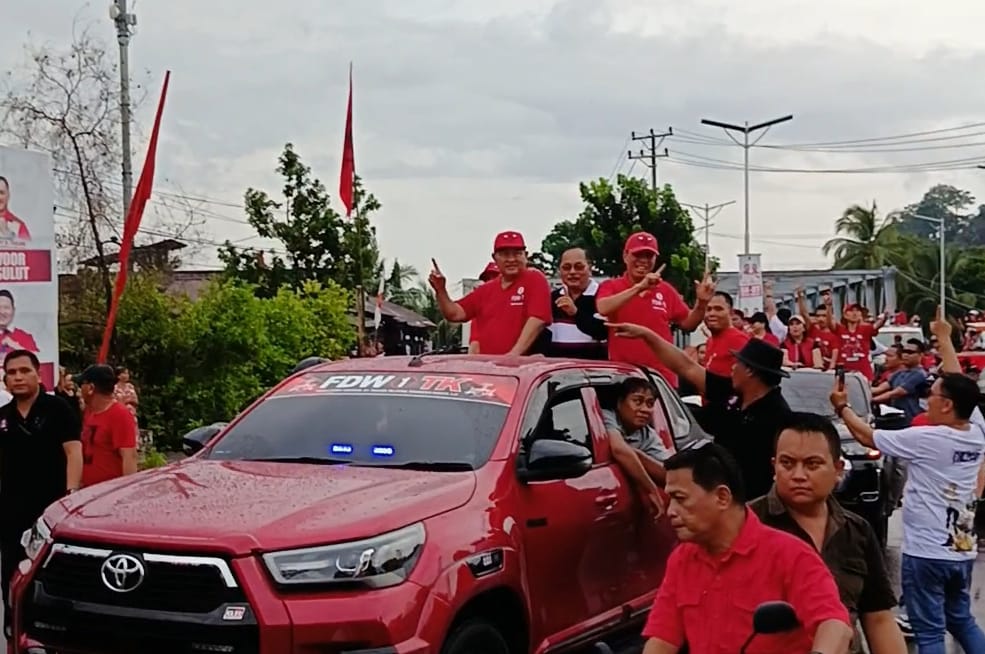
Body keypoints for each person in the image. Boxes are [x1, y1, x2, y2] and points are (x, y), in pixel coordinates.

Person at [832, 307, 985, 653]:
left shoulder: (929, 440)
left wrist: (843, 408)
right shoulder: (976, 430)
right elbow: (959, 381)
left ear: (946, 405)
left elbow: (868, 437)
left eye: (933, 394)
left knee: (928, 632)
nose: (927, 399)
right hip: (960, 551)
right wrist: (944, 339)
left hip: (926, 554)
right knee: (961, 620)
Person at [641, 442, 853, 654]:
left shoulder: (791, 555)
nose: (671, 511)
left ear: (722, 497)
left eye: (680, 499)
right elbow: (662, 639)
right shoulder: (682, 559)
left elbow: (835, 626)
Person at [749, 412, 906, 653]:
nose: (799, 475)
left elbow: (878, 618)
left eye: (812, 464)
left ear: (838, 469)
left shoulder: (857, 531)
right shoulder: (747, 526)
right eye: (787, 463)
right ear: (774, 466)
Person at [606, 322, 791, 500]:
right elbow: (685, 367)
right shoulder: (732, 393)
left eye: (738, 363)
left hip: (750, 504)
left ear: (750, 371)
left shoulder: (778, 417)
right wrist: (648, 336)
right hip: (717, 496)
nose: (733, 368)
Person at [0, 349, 81, 633]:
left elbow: (73, 452)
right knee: (11, 568)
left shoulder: (58, 409)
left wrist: (71, 494)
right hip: (10, 507)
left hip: (51, 505)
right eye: (12, 373)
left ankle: (56, 630)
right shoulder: (4, 417)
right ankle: (14, 624)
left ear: (38, 374)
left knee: (50, 570)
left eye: (24, 371)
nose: (18, 377)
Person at [596, 232, 715, 387]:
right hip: (624, 376)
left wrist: (702, 303)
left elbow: (688, 324)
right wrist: (639, 287)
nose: (643, 261)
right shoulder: (611, 286)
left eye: (649, 256)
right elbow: (603, 308)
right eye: (638, 255)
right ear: (625, 256)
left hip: (661, 377)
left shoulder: (665, 290)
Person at [430, 231, 552, 355]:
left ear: (525, 255)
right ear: (495, 258)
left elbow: (538, 319)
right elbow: (455, 314)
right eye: (505, 254)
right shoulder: (486, 290)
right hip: (492, 367)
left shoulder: (535, 279)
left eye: (517, 254)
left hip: (522, 368)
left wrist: (514, 355)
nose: (511, 259)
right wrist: (441, 290)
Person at [601, 377, 672, 514]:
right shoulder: (606, 416)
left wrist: (637, 455)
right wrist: (650, 489)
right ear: (620, 403)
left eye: (650, 404)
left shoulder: (647, 434)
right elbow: (619, 450)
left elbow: (669, 475)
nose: (645, 409)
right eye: (637, 401)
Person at [78, 364, 139, 487]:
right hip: (87, 492)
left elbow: (129, 457)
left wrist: (126, 492)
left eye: (81, 385)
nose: (79, 390)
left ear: (91, 388)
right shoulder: (89, 412)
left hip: (108, 492)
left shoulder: (119, 415)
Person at [542, 247, 607, 359]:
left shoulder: (603, 295)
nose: (572, 272)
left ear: (590, 268)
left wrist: (575, 313)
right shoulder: (551, 298)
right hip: (558, 369)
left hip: (594, 370)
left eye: (579, 267)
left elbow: (603, 332)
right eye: (566, 268)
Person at [872, 338, 927, 422]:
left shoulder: (919, 374)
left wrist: (871, 400)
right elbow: (878, 389)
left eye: (910, 352)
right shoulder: (899, 373)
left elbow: (895, 393)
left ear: (921, 355)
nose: (905, 355)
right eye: (904, 351)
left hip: (912, 419)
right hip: (898, 417)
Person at [702, 291, 750, 378]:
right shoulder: (710, 341)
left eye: (718, 309)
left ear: (731, 313)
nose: (712, 313)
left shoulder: (739, 340)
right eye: (708, 309)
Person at [796, 288, 839, 371]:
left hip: (827, 370)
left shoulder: (835, 334)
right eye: (818, 316)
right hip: (812, 370)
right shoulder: (812, 329)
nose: (820, 319)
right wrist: (800, 297)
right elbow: (804, 314)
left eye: (824, 316)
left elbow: (835, 354)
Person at [468, 262, 501, 354]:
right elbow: (475, 347)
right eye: (487, 279)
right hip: (490, 364)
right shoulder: (480, 313)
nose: (491, 281)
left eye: (496, 277)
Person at [0, 289, 38, 356]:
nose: (2, 312)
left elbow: (37, 362)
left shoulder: (25, 337)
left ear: (13, 310)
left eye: (6, 307)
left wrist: (16, 347)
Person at [0, 176, 31, 241]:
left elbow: (29, 249)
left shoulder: (19, 226)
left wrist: (7, 234)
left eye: (1, 193)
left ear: (8, 195)